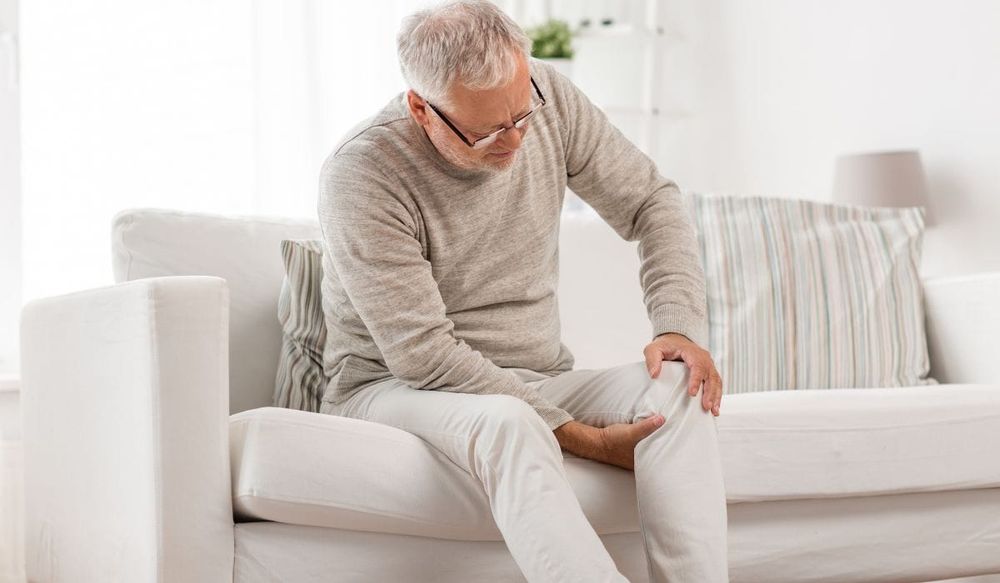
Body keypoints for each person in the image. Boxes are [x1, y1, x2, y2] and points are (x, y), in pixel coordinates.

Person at [316, 1, 727, 581]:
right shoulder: (362, 172)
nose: (514, 142)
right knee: (508, 421)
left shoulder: (545, 94)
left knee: (683, 385)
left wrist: (676, 324)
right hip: (390, 386)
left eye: (521, 116)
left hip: (537, 374)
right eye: (485, 132)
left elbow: (651, 201)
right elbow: (423, 355)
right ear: (420, 108)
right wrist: (583, 438)